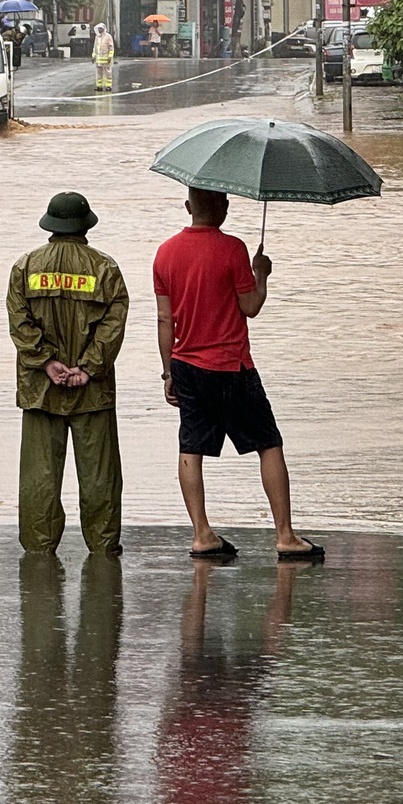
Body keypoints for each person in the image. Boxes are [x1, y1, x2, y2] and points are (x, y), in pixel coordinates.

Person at [155, 187, 321, 561]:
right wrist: (261, 275)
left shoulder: (165, 252)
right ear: (225, 208)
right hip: (231, 366)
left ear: (187, 207)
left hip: (186, 366)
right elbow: (250, 307)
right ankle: (285, 536)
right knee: (268, 444)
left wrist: (168, 372)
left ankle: (202, 534)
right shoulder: (233, 249)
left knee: (191, 447)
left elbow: (165, 318)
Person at [7, 191, 128, 556]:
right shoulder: (105, 269)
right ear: (85, 225)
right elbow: (113, 325)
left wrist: (46, 362)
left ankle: (38, 550)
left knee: (39, 478)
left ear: (51, 225)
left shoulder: (25, 267)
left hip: (41, 388)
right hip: (93, 391)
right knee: (99, 477)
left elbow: (19, 322)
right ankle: (103, 548)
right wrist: (89, 367)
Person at [91, 23, 115, 93]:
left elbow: (111, 48)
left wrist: (110, 56)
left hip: (106, 58)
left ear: (104, 29)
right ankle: (99, 86)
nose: (99, 30)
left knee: (108, 72)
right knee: (99, 73)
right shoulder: (97, 37)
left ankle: (108, 86)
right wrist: (93, 56)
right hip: (98, 59)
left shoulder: (108, 37)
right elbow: (95, 48)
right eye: (99, 29)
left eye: (101, 28)